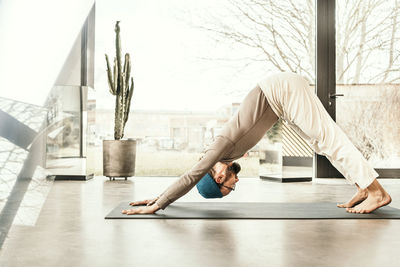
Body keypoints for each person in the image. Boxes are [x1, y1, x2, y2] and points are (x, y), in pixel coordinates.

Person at [122, 72, 392, 215]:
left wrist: (160, 204)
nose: (236, 183)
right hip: (281, 96)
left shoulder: (219, 147)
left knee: (328, 138)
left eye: (229, 187)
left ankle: (377, 191)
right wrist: (157, 196)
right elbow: (193, 177)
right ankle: (363, 187)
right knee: (321, 144)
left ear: (218, 176)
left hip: (282, 91)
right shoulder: (225, 155)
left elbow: (192, 176)